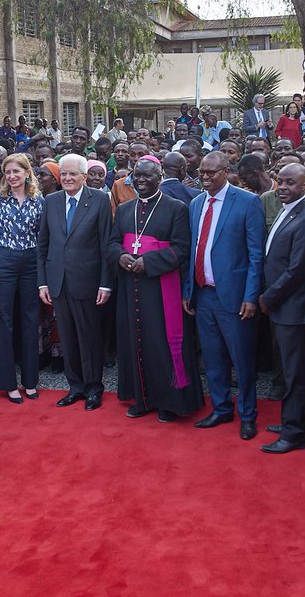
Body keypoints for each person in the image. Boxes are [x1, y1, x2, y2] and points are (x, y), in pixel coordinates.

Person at [111, 158, 204, 422]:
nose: (140, 180)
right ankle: (141, 399)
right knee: (135, 341)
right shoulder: (126, 208)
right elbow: (112, 242)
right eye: (137, 175)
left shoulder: (176, 208)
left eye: (147, 175)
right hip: (131, 285)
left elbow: (182, 248)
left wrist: (148, 262)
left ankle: (169, 401)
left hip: (161, 288)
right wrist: (120, 256)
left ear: (160, 176)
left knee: (161, 343)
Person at [187, 151, 266, 440]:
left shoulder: (247, 202)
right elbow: (193, 249)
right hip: (203, 294)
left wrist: (251, 295)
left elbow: (257, 254)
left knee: (241, 359)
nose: (205, 177)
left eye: (211, 172)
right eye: (201, 172)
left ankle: (248, 415)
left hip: (235, 297)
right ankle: (221, 408)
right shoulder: (195, 204)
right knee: (212, 358)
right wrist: (189, 290)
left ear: (226, 171)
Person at [37, 153, 114, 410]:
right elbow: (43, 245)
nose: (68, 178)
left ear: (84, 175)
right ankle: (75, 386)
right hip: (58, 282)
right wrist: (43, 283)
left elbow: (106, 245)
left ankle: (94, 388)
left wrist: (105, 283)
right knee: (67, 338)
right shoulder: (51, 201)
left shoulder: (100, 200)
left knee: (89, 337)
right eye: (64, 174)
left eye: (73, 174)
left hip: (88, 282)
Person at [257, 163, 305, 452]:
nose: (283, 187)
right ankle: (300, 420)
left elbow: (297, 270)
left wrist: (268, 297)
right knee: (290, 367)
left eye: (290, 183)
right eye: (279, 181)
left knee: (295, 372)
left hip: (293, 307)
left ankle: (293, 434)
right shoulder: (287, 210)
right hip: (283, 305)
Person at [0, 154, 44, 403]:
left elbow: (43, 238)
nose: (11, 176)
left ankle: (30, 381)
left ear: (27, 173)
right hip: (3, 262)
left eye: (16, 171)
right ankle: (8, 382)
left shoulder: (39, 201)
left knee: (31, 320)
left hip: (31, 261)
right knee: (3, 320)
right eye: (8, 172)